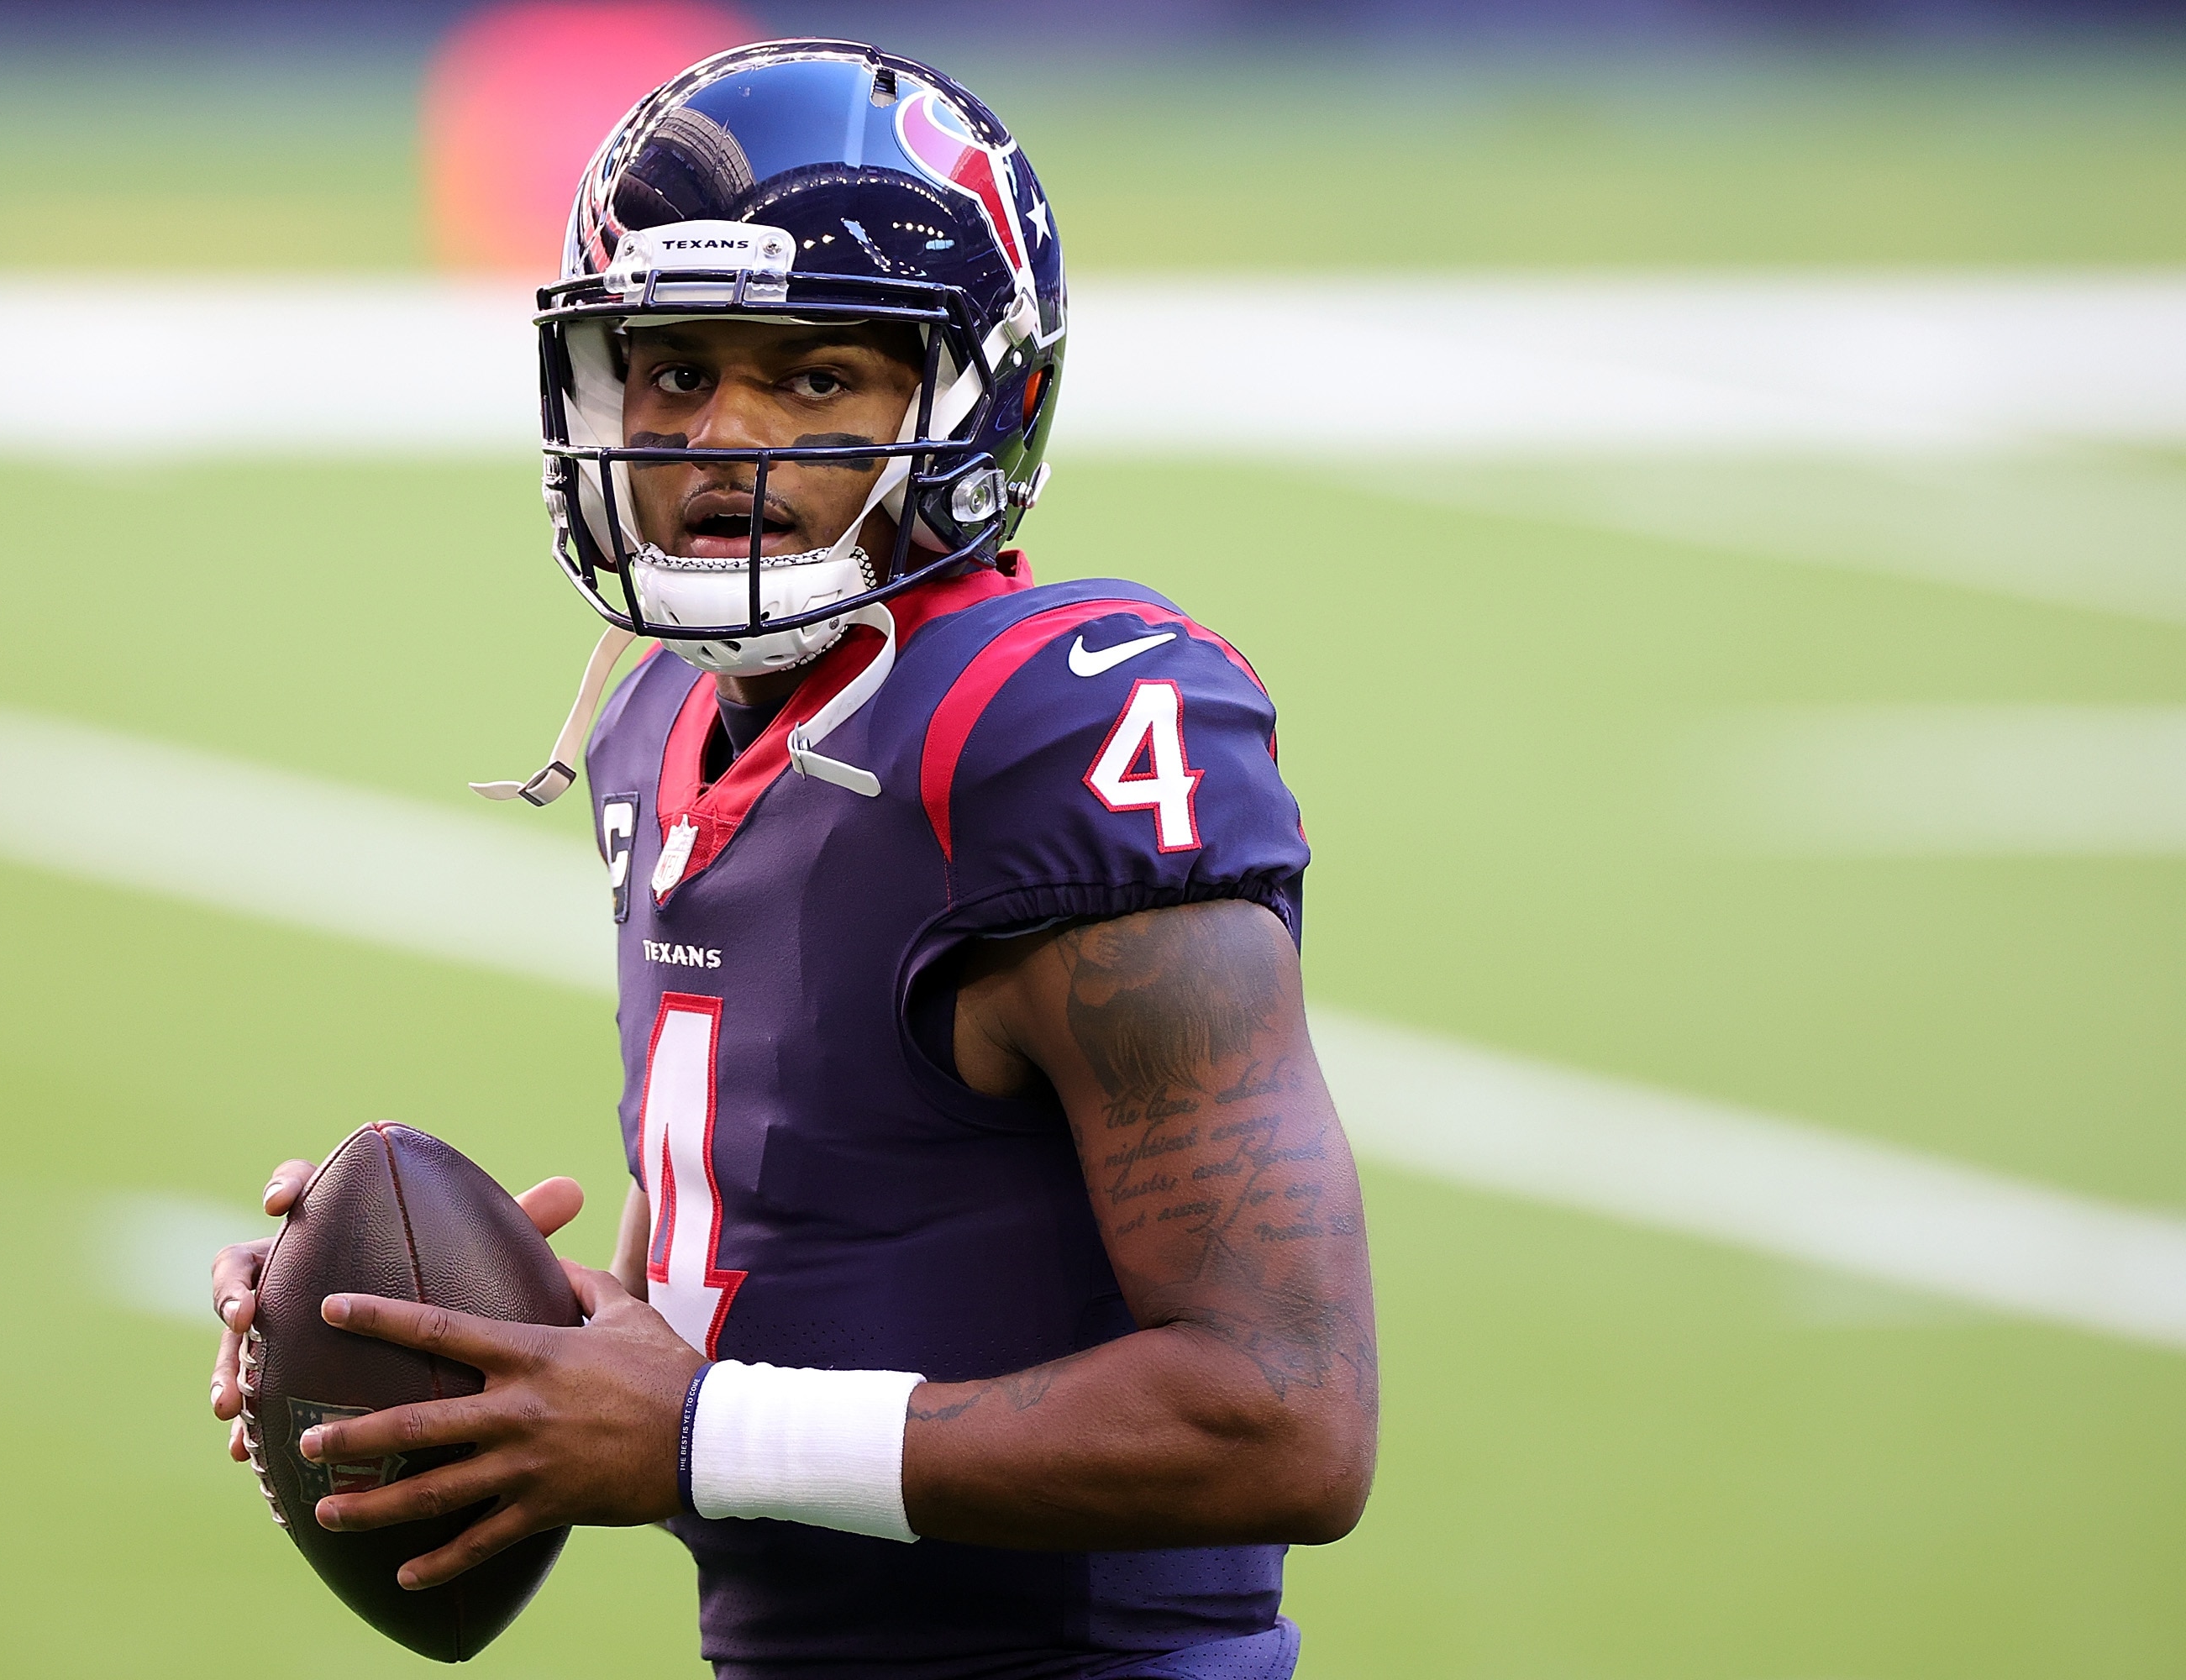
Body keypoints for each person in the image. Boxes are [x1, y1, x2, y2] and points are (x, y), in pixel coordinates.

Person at [209, 40, 1376, 1680]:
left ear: (972, 403)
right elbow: (796, 1272)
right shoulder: (659, 733)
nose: (723, 440)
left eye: (817, 378)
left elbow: (1285, 1416)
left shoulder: (1049, 733)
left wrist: (695, 1431)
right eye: (675, 372)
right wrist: (478, 1339)